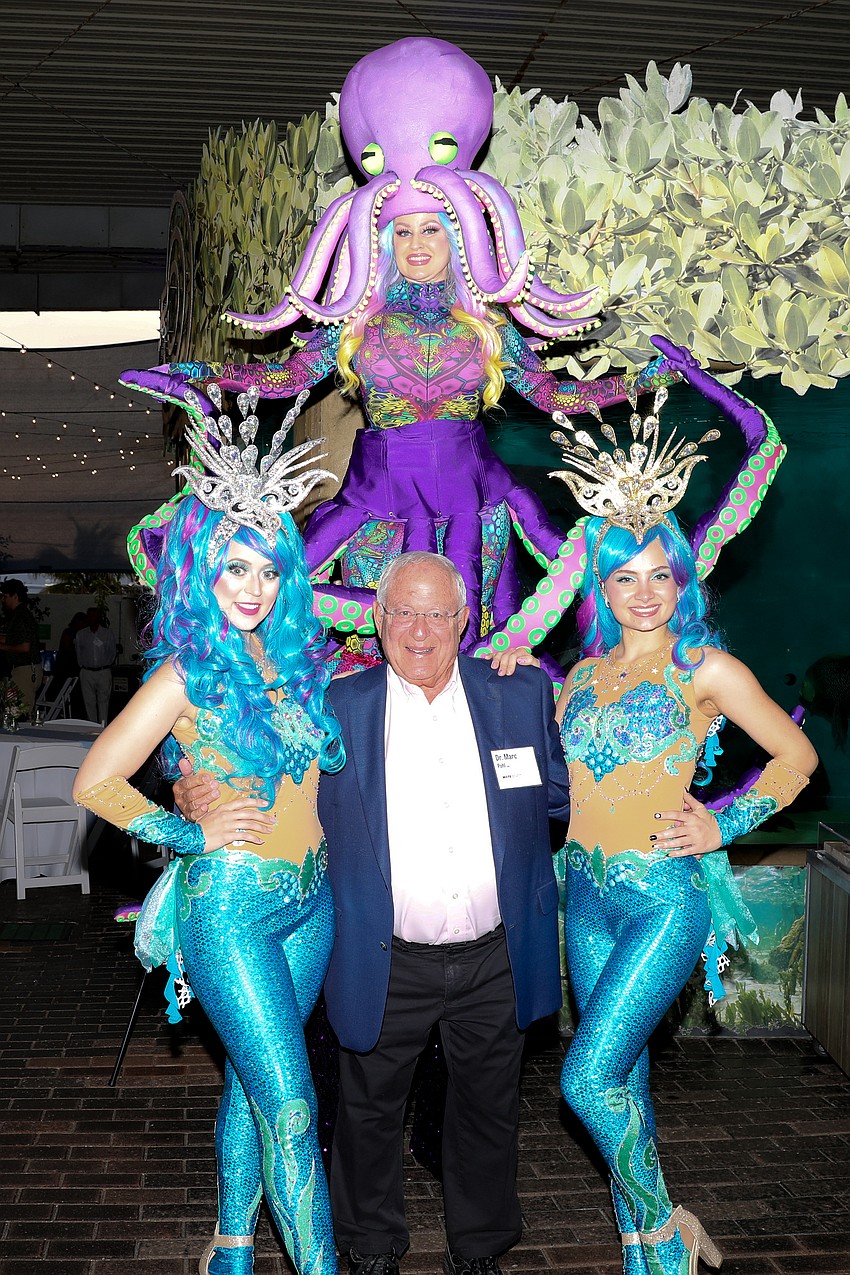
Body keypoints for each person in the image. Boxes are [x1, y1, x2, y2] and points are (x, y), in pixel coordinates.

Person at [119, 38, 682, 671]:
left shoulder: (488, 324)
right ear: (383, 241)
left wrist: (645, 380)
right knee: (358, 638)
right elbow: (289, 372)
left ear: (461, 237)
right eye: (403, 231)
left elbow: (554, 395)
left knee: (473, 639)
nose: (417, 244)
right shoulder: (359, 322)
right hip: (376, 501)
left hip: (473, 497)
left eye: (432, 229)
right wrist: (204, 376)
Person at [177, 550, 571, 1275]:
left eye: (437, 613)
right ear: (378, 620)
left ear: (465, 621)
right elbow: (256, 775)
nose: (419, 628)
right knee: (367, 1107)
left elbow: (563, 797)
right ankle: (368, 1244)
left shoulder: (521, 694)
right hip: (384, 947)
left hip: (497, 948)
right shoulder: (333, 707)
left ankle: (480, 1247)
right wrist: (189, 789)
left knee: (488, 1106)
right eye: (402, 612)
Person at [73, 400, 346, 1275]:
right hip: (229, 910)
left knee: (254, 1086)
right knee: (296, 1108)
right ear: (201, 570)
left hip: (311, 906)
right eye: (233, 568)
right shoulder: (184, 672)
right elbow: (95, 781)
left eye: (268, 569)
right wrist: (185, 831)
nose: (252, 586)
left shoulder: (297, 659)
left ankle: (231, 1250)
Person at [550, 394, 818, 1273]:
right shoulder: (582, 673)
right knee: (621, 1082)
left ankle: (668, 1230)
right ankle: (643, 1257)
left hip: (662, 896)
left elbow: (797, 759)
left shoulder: (708, 668)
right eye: (623, 576)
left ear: (682, 579)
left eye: (658, 574)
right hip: (583, 893)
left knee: (583, 1080)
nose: (641, 591)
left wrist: (722, 821)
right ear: (602, 585)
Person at [0, 578, 41, 713]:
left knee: (22, 712)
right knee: (13, 709)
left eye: (5, 596)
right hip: (22, 670)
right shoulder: (19, 615)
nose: (3, 599)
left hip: (25, 670)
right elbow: (13, 639)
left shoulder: (22, 616)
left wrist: (2, 647)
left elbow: (25, 647)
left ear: (15, 596)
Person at [74, 607, 117, 723]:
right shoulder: (81, 634)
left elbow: (112, 651)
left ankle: (102, 728)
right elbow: (79, 652)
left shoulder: (107, 633)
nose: (92, 618)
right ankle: (91, 727)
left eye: (94, 616)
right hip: (86, 671)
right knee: (89, 702)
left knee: (104, 701)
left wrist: (106, 664)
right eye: (90, 616)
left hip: (103, 671)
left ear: (98, 618)